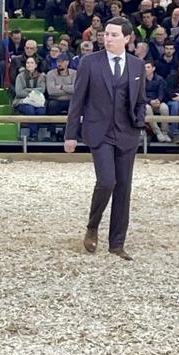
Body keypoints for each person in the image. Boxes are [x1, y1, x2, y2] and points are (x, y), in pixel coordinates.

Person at [64, 17, 147, 261]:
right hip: (98, 132)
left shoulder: (137, 65)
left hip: (127, 133)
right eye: (106, 34)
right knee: (107, 181)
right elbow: (76, 100)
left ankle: (117, 243)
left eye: (113, 35)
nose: (107, 38)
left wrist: (140, 121)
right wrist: (70, 135)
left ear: (127, 38)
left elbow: (140, 99)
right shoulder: (90, 63)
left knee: (124, 188)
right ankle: (92, 225)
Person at [12, 55, 47, 141]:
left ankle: (36, 132)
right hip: (22, 101)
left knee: (41, 111)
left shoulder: (40, 77)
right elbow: (19, 92)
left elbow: (42, 90)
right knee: (30, 109)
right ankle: (33, 134)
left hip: (37, 101)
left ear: (35, 65)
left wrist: (27, 90)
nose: (29, 65)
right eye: (27, 63)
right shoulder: (20, 76)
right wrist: (33, 91)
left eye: (31, 63)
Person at [144, 60, 172, 142]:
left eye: (148, 67)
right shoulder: (140, 80)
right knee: (147, 108)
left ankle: (165, 132)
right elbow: (141, 95)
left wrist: (158, 100)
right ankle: (158, 132)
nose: (146, 69)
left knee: (164, 107)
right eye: (144, 67)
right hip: (146, 103)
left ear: (153, 68)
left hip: (157, 102)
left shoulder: (160, 79)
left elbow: (162, 93)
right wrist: (150, 101)